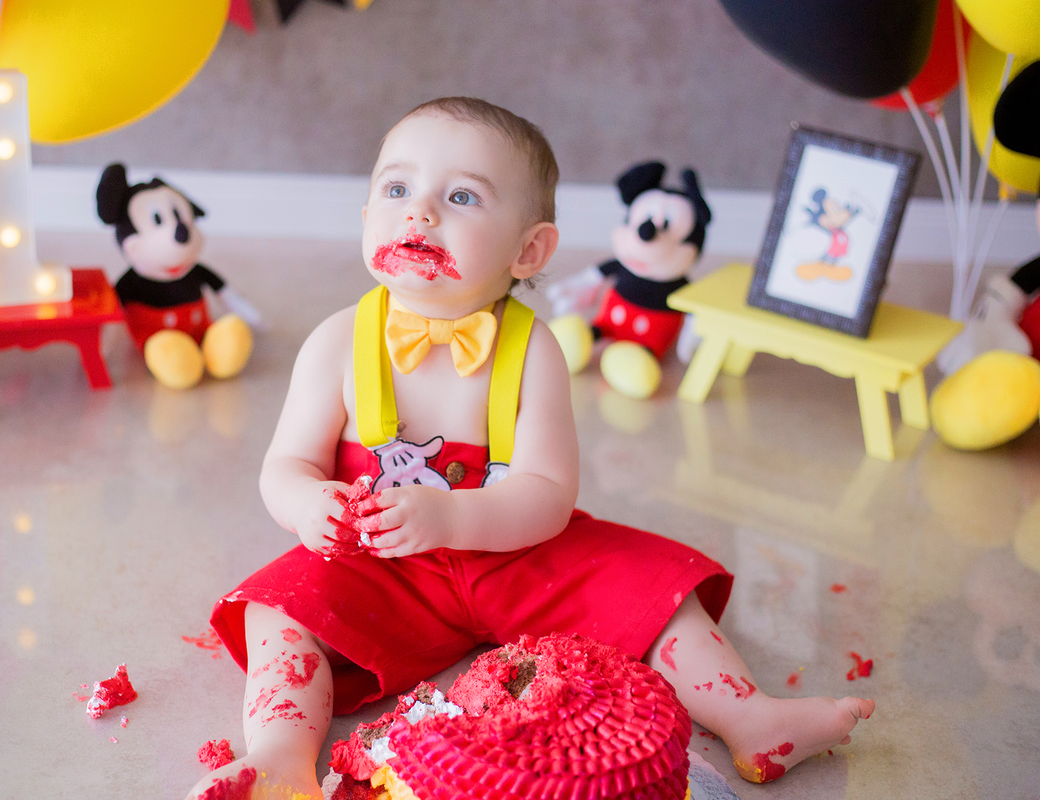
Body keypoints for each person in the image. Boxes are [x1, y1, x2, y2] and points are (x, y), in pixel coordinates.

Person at [186, 97, 873, 800]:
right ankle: (281, 756)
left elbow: (547, 493)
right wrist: (310, 503)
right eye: (396, 189)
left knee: (657, 586)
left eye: (460, 197)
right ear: (367, 221)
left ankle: (748, 716)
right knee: (279, 606)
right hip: (387, 566)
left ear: (529, 251)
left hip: (518, 553)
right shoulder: (336, 341)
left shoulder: (533, 349)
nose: (418, 213)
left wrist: (452, 519)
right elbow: (286, 466)